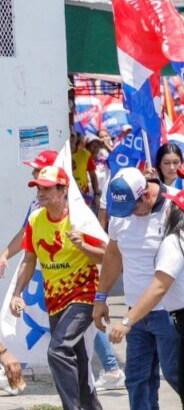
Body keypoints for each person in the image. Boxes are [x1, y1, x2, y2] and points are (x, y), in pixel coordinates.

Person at [108, 188, 184, 410]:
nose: (167, 208)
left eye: (173, 206)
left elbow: (159, 287)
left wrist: (126, 321)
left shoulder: (176, 241)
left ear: (178, 212)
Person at [8, 165, 108, 410]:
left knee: (58, 351)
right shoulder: (35, 219)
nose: (40, 193)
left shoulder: (80, 219)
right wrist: (16, 294)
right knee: (79, 359)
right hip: (55, 300)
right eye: (37, 188)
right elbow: (30, 261)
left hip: (84, 295)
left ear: (63, 190)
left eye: (46, 188)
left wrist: (83, 245)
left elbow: (107, 257)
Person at [94, 168, 182, 410]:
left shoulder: (174, 206)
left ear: (145, 194)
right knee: (137, 379)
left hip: (171, 311)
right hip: (135, 315)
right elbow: (113, 254)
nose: (130, 214)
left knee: (177, 376)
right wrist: (101, 297)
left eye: (133, 207)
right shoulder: (121, 212)